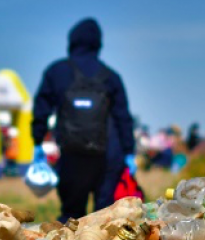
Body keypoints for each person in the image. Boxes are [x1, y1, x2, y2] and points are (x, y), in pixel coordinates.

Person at [32, 18, 134, 222]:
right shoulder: (111, 76)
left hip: (72, 155)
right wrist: (129, 152)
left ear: (72, 41)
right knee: (105, 218)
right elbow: (123, 117)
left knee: (71, 216)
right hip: (107, 156)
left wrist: (37, 141)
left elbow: (41, 109)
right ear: (98, 43)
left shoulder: (57, 72)